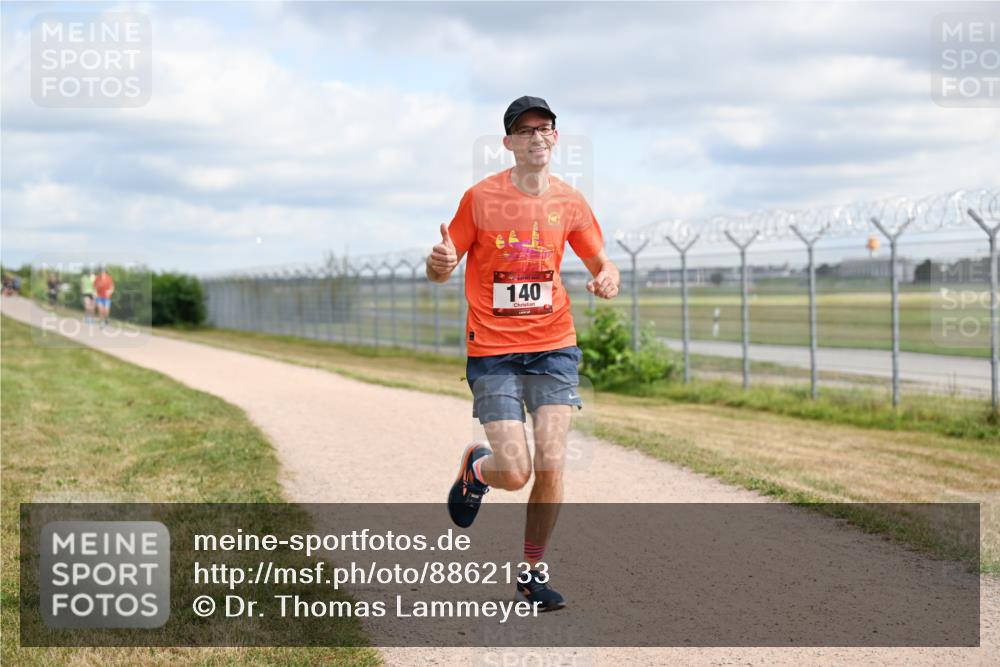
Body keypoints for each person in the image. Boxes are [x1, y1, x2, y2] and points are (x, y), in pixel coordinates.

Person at [426, 96, 620, 612]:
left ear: (555, 139)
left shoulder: (570, 201)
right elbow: (442, 267)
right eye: (526, 130)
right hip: (492, 350)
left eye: (546, 128)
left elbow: (603, 261)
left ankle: (531, 572)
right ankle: (478, 468)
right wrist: (440, 262)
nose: (538, 136)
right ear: (509, 143)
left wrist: (606, 276)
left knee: (552, 461)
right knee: (516, 473)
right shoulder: (480, 199)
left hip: (554, 344)